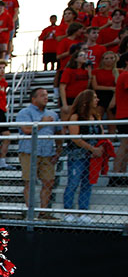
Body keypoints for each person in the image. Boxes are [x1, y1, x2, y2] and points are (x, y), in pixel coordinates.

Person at [15, 88, 60, 218]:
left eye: (46, 95)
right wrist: (42, 123)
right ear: (33, 98)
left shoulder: (53, 114)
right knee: (29, 182)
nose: (45, 98)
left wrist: (58, 150)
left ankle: (43, 212)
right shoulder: (25, 112)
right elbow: (26, 129)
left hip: (47, 152)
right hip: (29, 152)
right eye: (42, 95)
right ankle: (30, 212)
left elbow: (58, 132)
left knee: (48, 182)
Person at [63, 90, 105, 220]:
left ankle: (83, 212)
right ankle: (67, 212)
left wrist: (100, 148)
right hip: (78, 155)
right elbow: (75, 138)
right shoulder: (75, 117)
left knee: (88, 184)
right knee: (73, 183)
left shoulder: (96, 117)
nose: (97, 100)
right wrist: (92, 148)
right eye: (94, 98)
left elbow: (102, 135)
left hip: (92, 157)